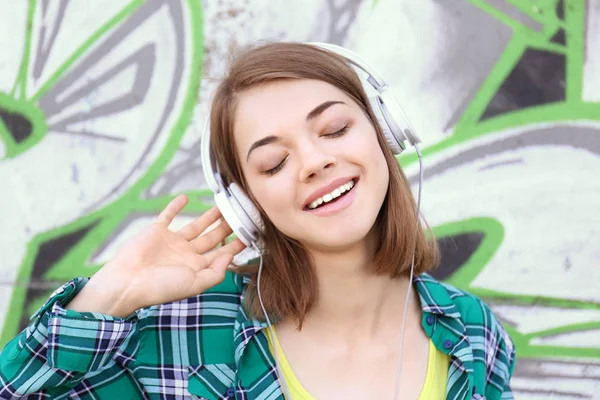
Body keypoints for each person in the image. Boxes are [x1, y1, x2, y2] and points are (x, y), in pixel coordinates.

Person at [0, 42, 515, 400]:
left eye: (334, 129)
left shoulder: (471, 332)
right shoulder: (191, 334)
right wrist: (106, 296)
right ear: (247, 205)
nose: (314, 162)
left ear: (384, 130)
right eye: (273, 163)